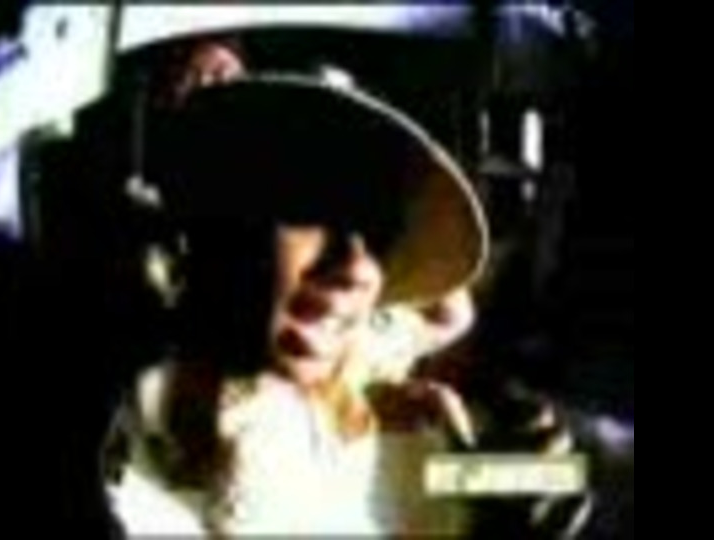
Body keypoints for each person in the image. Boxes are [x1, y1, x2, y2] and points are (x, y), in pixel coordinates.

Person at [102, 63, 589, 535]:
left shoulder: (367, 406)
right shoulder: (129, 451)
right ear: (219, 224)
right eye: (313, 207)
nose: (358, 269)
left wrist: (529, 483)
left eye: (379, 232)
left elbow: (411, 478)